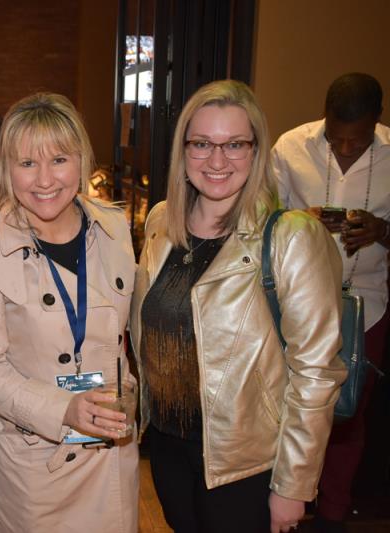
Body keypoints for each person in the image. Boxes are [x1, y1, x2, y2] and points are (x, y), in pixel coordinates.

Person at [130, 79, 346, 533]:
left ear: (257, 151)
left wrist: (293, 485)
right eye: (202, 143)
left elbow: (316, 373)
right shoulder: (161, 223)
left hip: (246, 466)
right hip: (167, 448)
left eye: (234, 144)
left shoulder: (291, 237)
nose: (216, 160)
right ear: (183, 150)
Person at [0, 93, 139, 532]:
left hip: (110, 457)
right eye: (27, 163)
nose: (44, 180)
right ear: (7, 169)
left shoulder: (115, 228)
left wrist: (132, 393)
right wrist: (62, 409)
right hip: (34, 464)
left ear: (82, 161)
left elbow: (128, 336)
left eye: (59, 159)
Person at [270, 72, 390, 533]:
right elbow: (262, 218)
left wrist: (382, 231)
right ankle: (284, 502)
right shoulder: (290, 147)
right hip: (295, 305)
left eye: (355, 141)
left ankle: (332, 516)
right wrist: (299, 220)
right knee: (287, 404)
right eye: (335, 137)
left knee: (347, 414)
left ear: (377, 121)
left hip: (366, 305)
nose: (343, 148)